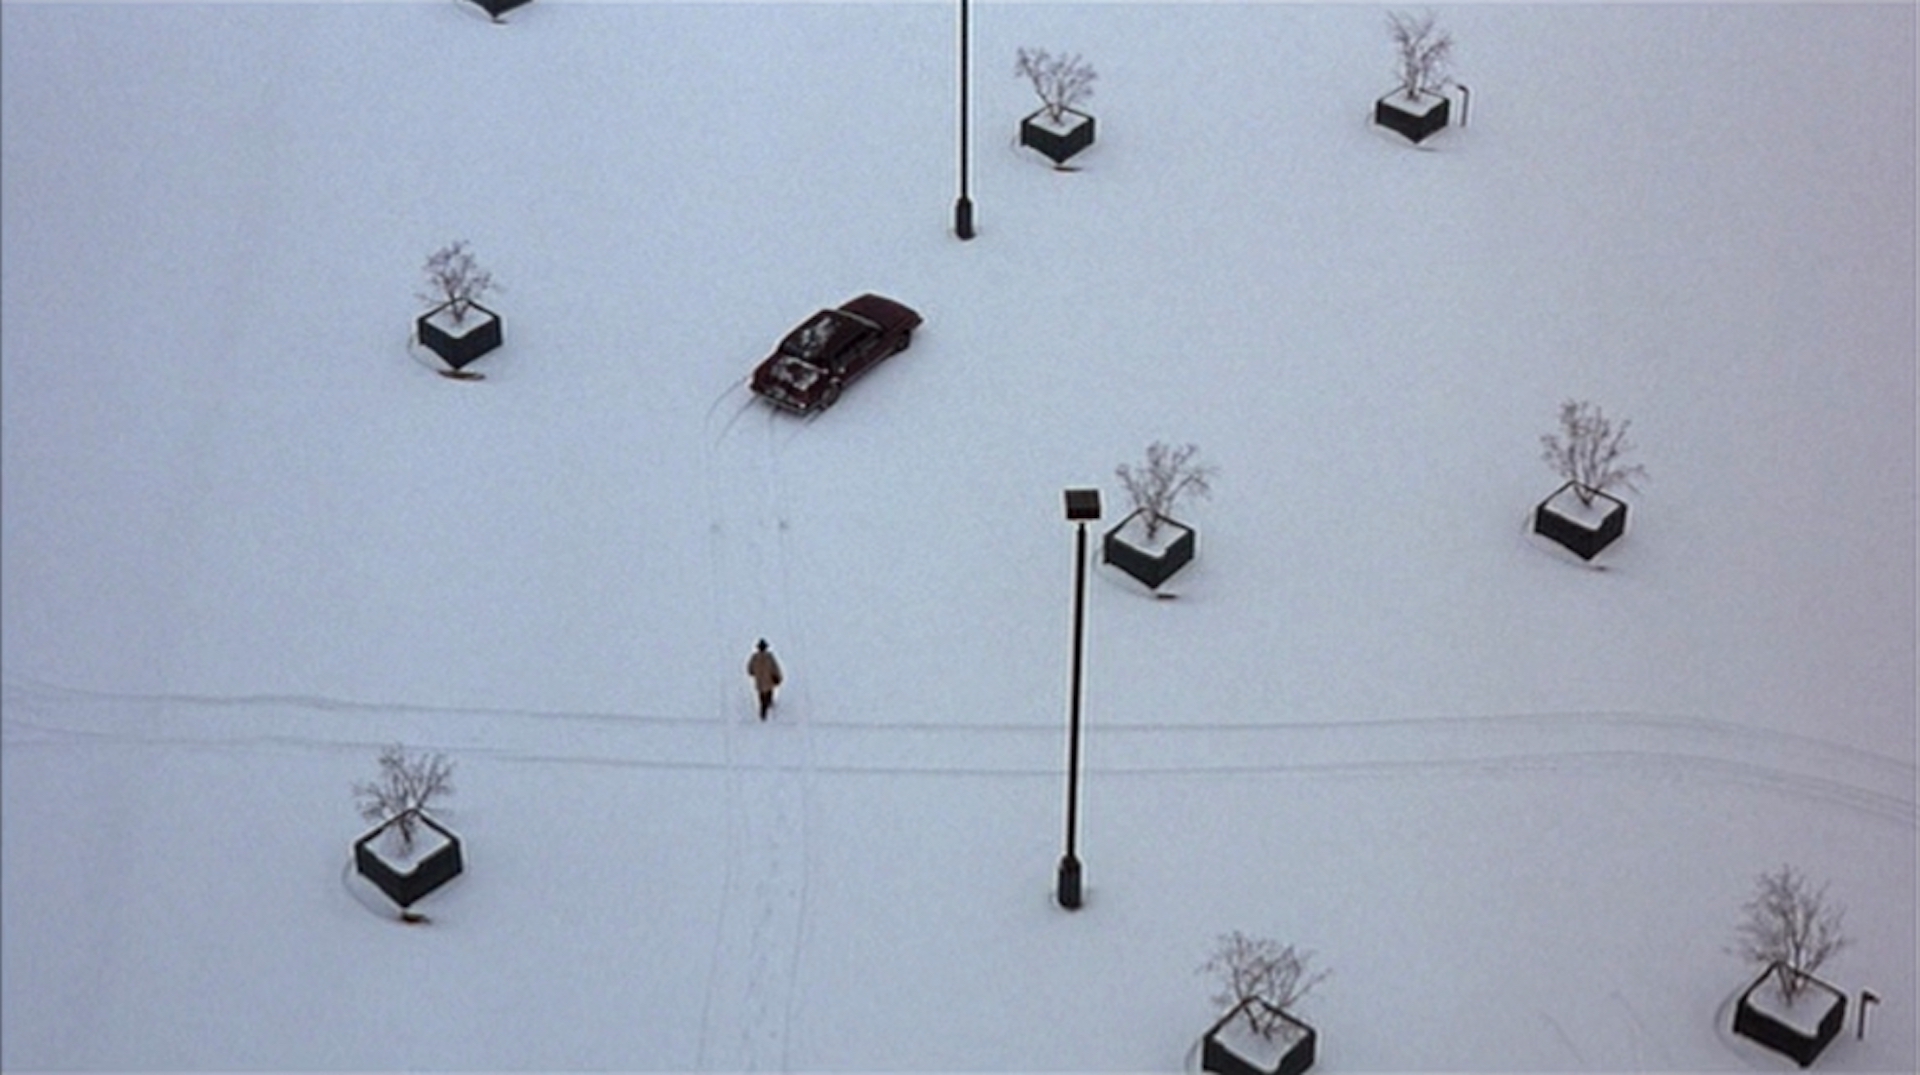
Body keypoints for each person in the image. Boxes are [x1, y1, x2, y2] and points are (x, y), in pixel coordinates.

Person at [746, 639, 783, 720]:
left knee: (762, 697)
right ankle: (769, 709)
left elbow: (750, 669)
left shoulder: (754, 657)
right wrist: (778, 677)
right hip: (769, 681)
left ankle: (763, 713)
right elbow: (775, 668)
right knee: (769, 694)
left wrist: (755, 674)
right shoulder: (769, 657)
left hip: (759, 682)